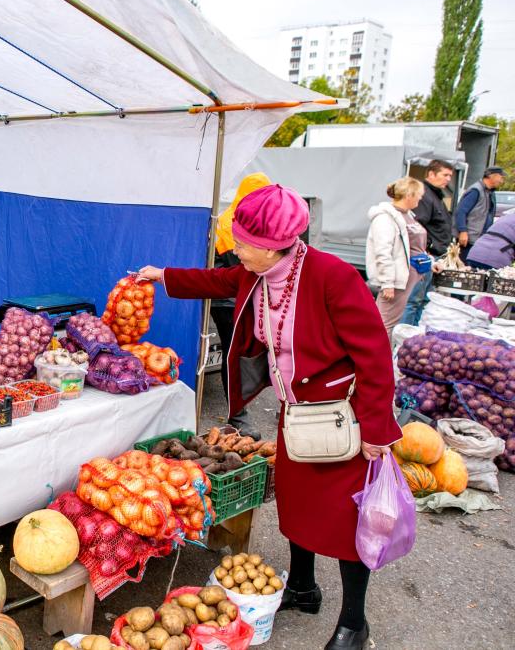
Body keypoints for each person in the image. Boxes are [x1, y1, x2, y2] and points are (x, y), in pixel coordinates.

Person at [137, 184, 401, 650]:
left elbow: (376, 355)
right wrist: (163, 276)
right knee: (299, 508)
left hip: (341, 422)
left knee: (345, 523)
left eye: (242, 244)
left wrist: (376, 429)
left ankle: (354, 623)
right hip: (294, 416)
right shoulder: (251, 273)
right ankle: (303, 587)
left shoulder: (333, 277)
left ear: (275, 245)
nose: (235, 251)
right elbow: (214, 282)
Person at [210, 172, 271, 439]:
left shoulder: (248, 220)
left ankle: (242, 408)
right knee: (235, 354)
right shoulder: (227, 223)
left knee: (246, 354)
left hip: (246, 298)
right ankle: (238, 415)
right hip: (228, 302)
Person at [365, 177, 426, 334]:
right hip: (397, 280)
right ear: (409, 195)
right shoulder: (385, 218)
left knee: (392, 321)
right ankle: (377, 356)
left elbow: (413, 246)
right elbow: (382, 251)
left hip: (409, 277)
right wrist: (388, 283)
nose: (420, 198)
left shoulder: (408, 215)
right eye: (419, 194)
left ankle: (386, 355)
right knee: (384, 323)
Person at [402, 160, 454, 325]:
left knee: (424, 300)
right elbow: (418, 226)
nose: (448, 179)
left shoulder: (437, 195)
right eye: (445, 175)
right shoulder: (425, 196)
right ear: (431, 174)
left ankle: (414, 335)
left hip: (434, 257)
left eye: (450, 176)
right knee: (413, 301)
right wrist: (427, 251)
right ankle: (403, 339)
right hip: (424, 257)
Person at [454, 166, 507, 258]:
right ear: (492, 176)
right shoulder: (476, 190)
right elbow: (461, 211)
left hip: (479, 239)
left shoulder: (490, 193)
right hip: (468, 240)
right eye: (501, 177)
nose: (501, 181)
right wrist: (463, 231)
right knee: (464, 267)